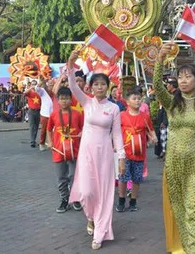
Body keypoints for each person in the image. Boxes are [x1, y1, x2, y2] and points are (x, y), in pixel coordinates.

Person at [153, 42, 195, 254]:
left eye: (188, 76)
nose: (183, 80)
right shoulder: (172, 103)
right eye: (180, 77)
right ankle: (179, 246)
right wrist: (159, 60)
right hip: (173, 163)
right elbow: (157, 86)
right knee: (177, 206)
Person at [67, 49, 125, 250]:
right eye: (96, 84)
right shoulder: (86, 102)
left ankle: (100, 233)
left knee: (105, 194)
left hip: (106, 156)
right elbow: (73, 85)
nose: (100, 87)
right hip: (86, 154)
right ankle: (91, 217)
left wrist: (121, 157)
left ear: (108, 87)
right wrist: (70, 64)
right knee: (87, 192)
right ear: (91, 87)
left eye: (103, 84)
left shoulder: (114, 108)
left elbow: (117, 134)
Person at [116, 88, 156, 212]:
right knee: (123, 177)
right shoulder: (122, 116)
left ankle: (133, 201)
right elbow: (116, 133)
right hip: (125, 153)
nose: (137, 101)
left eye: (139, 99)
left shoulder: (145, 116)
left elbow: (151, 130)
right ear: (127, 102)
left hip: (139, 153)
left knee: (137, 178)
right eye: (134, 99)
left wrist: (153, 137)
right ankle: (121, 200)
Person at [46, 87, 84, 213]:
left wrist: (81, 134)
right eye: (62, 99)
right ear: (57, 100)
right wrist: (50, 141)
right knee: (61, 177)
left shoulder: (78, 114)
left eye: (67, 98)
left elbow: (84, 128)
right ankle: (64, 199)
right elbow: (48, 129)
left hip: (75, 150)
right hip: (58, 150)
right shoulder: (54, 115)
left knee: (74, 176)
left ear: (71, 99)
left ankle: (76, 199)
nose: (64, 101)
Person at [24, 80, 41, 148]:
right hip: (31, 111)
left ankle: (34, 140)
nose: (34, 85)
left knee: (36, 126)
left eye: (35, 84)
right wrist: (30, 88)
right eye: (33, 84)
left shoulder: (39, 93)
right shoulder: (29, 92)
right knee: (31, 126)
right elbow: (25, 93)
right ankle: (32, 141)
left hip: (38, 111)